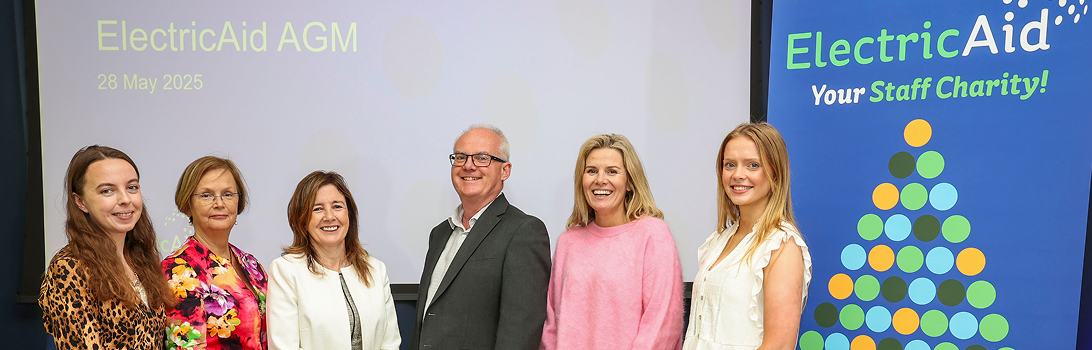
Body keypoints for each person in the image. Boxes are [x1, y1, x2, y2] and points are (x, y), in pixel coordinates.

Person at [410, 124, 551, 350]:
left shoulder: (524, 231)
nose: (468, 166)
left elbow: (520, 333)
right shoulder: (440, 233)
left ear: (505, 170)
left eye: (482, 158)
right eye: (460, 157)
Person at [540, 134, 684, 350]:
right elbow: (552, 324)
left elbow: (663, 323)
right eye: (591, 171)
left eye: (612, 171)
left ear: (629, 182)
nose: (600, 179)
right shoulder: (568, 242)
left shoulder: (653, 235)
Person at [683, 123, 812, 350]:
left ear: (776, 173)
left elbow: (779, 345)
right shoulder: (718, 241)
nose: (737, 175)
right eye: (729, 165)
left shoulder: (782, 245)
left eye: (753, 165)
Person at [39, 145, 175, 350]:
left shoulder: (140, 259)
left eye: (132, 187)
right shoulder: (69, 267)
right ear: (80, 202)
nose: (125, 199)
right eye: (107, 190)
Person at [267, 171, 400, 350]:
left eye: (337, 206)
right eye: (317, 209)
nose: (329, 216)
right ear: (302, 220)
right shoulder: (286, 270)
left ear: (349, 216)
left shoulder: (376, 269)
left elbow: (390, 343)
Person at [163, 156, 268, 350]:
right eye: (206, 195)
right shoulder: (178, 270)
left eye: (228, 194)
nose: (219, 203)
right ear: (188, 204)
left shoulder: (251, 264)